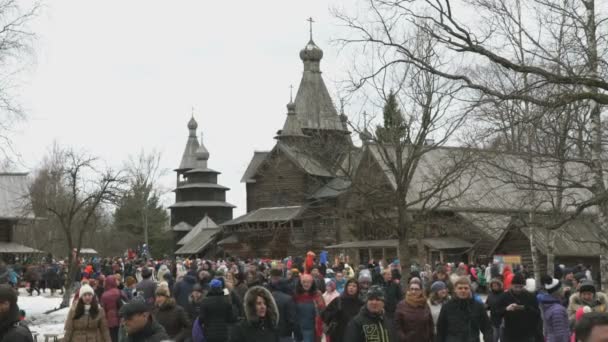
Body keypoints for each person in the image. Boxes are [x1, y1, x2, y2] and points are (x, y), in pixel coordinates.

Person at [436, 276, 492, 342]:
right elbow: (441, 329)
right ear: (455, 290)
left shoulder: (478, 306)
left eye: (466, 288)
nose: (463, 290)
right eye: (460, 288)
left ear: (470, 289)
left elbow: (486, 327)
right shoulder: (447, 307)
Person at [496, 273, 541, 342]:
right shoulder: (504, 296)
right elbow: (496, 313)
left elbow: (537, 313)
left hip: (527, 334)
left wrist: (525, 308)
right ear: (511, 285)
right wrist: (506, 309)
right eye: (516, 287)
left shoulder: (530, 296)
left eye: (520, 287)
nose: (518, 289)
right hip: (510, 334)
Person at [268, 269, 300, 342]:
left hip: (279, 332)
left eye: (274, 278)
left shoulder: (267, 293)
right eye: (272, 278)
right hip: (283, 333)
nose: (273, 280)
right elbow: (292, 319)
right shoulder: (288, 293)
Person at [293, 273, 325, 342]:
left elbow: (323, 311)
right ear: (300, 283)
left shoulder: (317, 294)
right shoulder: (296, 294)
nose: (306, 284)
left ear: (312, 283)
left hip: (311, 328)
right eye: (304, 282)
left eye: (309, 282)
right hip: (298, 327)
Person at [537, 275, 569, 342]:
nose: (564, 289)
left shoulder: (548, 304)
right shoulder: (557, 310)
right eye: (562, 287)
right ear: (558, 291)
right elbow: (560, 335)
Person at [100, 275, 125, 342]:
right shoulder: (120, 292)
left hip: (109, 320)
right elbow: (126, 302)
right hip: (120, 319)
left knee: (112, 338)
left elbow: (103, 309)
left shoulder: (104, 295)